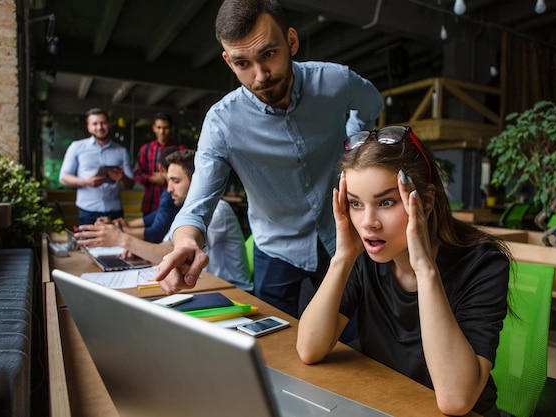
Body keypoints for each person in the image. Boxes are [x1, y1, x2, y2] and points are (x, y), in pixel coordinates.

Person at [155, 0, 384, 317]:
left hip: (341, 234)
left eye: (268, 54)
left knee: (358, 333)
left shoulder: (335, 82)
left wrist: (353, 149)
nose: (260, 76)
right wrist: (186, 243)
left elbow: (371, 103)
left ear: (291, 41)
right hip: (275, 247)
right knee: (273, 341)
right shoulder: (222, 123)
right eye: (242, 64)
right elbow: (198, 202)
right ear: (228, 62)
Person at [296, 125, 512, 417]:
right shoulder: (365, 256)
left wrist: (425, 270)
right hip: (387, 404)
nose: (368, 222)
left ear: (425, 201)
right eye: (356, 204)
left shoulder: (483, 264)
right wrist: (343, 258)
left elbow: (456, 400)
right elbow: (309, 349)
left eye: (386, 202)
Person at [76, 149, 253, 292]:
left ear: (197, 182)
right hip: (206, 286)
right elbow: (165, 247)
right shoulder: (186, 212)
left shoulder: (217, 210)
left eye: (175, 181)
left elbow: (175, 255)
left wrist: (121, 239)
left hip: (234, 292)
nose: (168, 189)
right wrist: (140, 251)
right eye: (168, 181)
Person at [59, 108, 135, 225]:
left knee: (118, 244)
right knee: (88, 244)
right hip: (88, 212)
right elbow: (63, 178)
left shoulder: (121, 151)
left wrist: (122, 178)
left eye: (103, 123)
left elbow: (131, 184)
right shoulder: (77, 147)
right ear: (88, 127)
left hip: (115, 212)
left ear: (109, 125)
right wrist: (85, 182)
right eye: (95, 124)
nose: (99, 127)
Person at [97, 146, 182, 243]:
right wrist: (125, 225)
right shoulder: (171, 196)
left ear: (160, 168)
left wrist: (117, 231)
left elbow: (156, 234)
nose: (170, 188)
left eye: (177, 181)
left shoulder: (169, 194)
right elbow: (159, 214)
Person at [134, 112, 178, 215]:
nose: (162, 131)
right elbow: (137, 173)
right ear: (154, 128)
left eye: (165, 128)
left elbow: (187, 177)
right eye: (159, 127)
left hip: (173, 204)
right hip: (151, 202)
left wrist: (166, 178)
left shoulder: (180, 150)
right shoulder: (146, 149)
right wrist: (151, 178)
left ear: (171, 128)